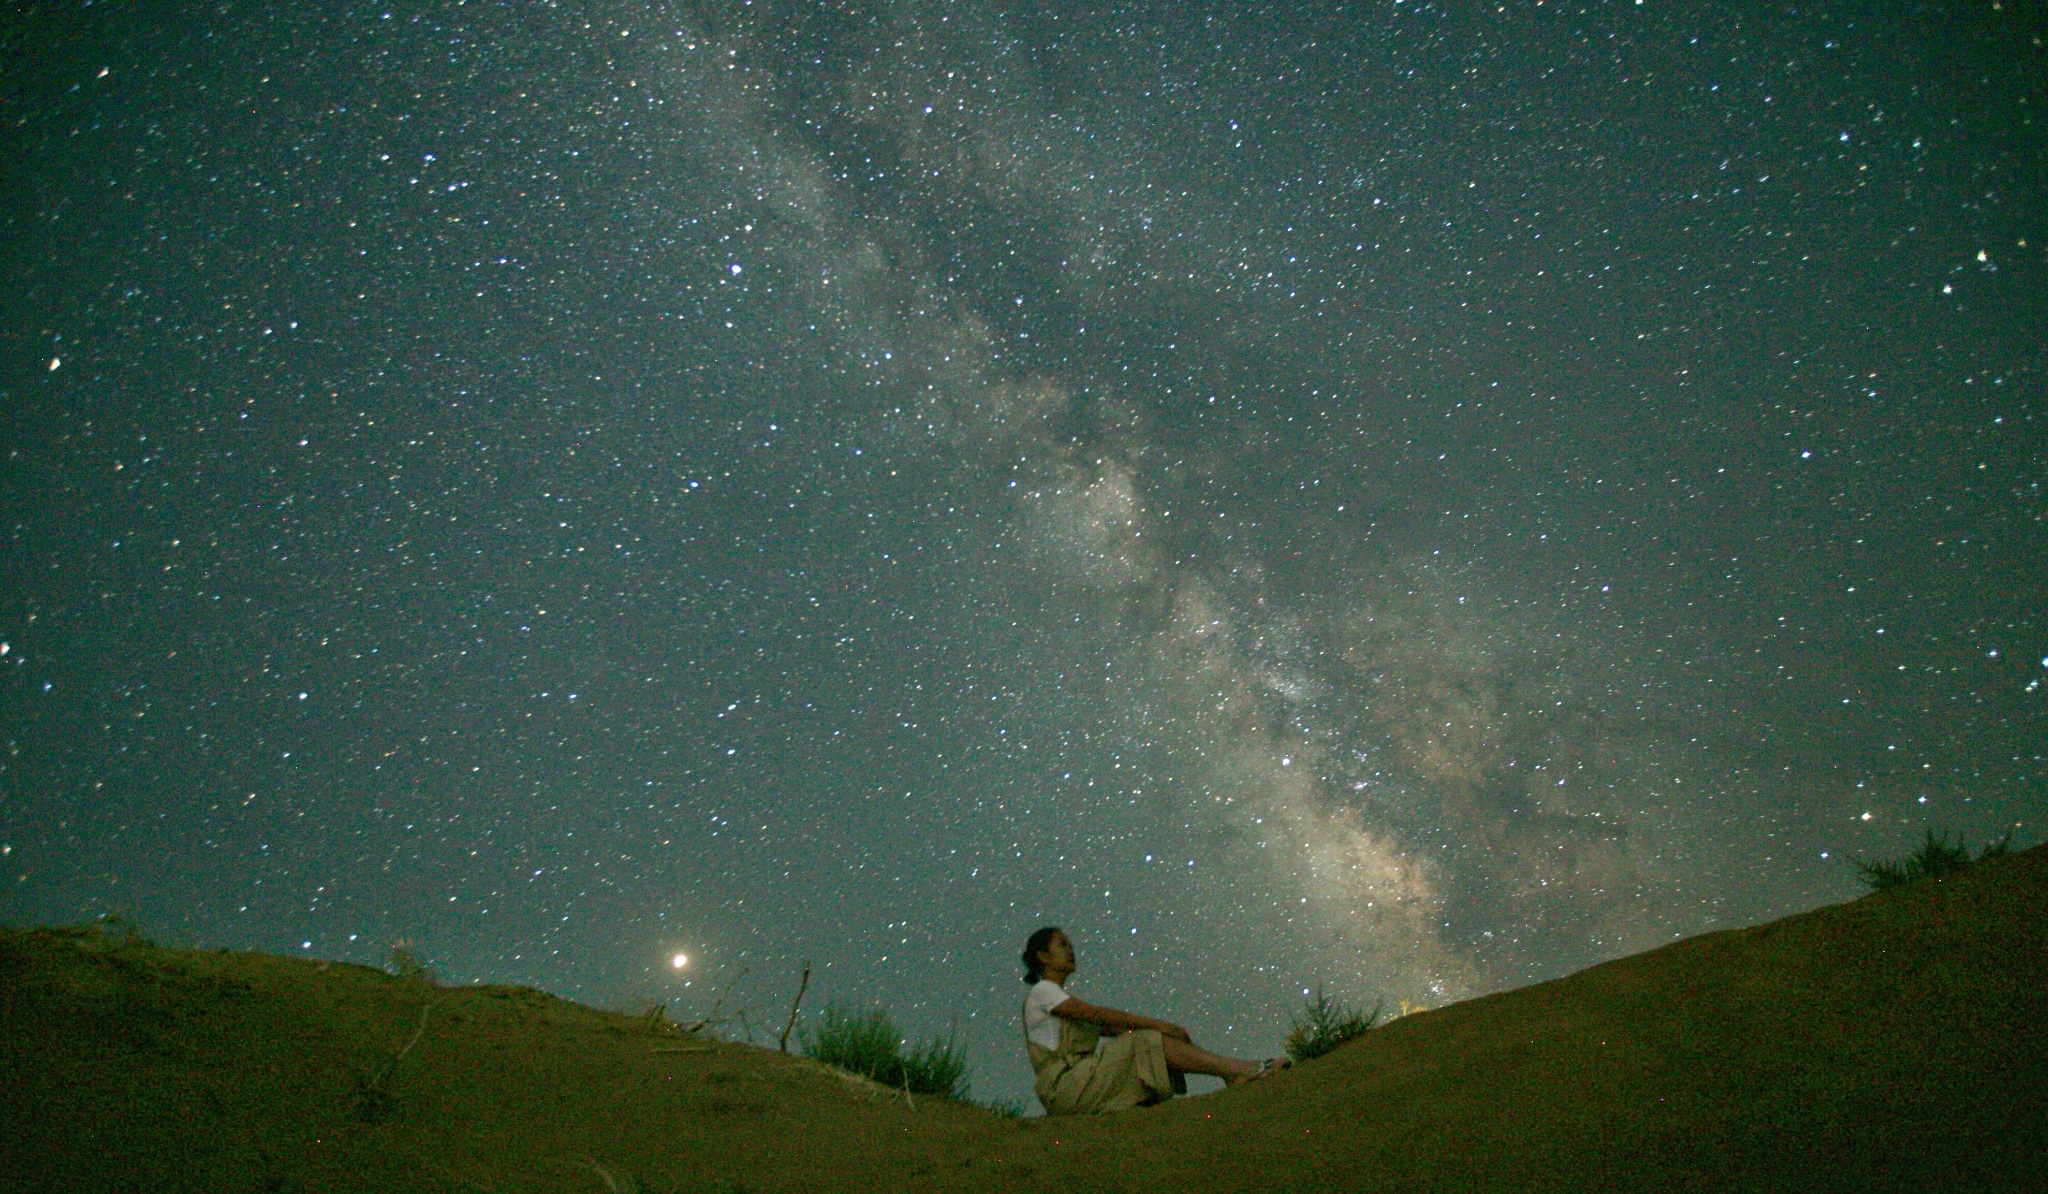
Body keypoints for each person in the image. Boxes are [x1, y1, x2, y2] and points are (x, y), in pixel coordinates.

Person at [1020, 925, 1285, 1115]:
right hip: (1066, 1089)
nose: (1071, 950)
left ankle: (1231, 1071)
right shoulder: (1043, 992)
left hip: (1080, 1084)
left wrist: (1164, 1033)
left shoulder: (1057, 997)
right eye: (1062, 945)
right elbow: (1098, 1015)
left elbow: (1110, 1027)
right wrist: (1159, 1026)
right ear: (1043, 957)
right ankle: (1237, 1070)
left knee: (1140, 1041)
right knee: (1144, 1040)